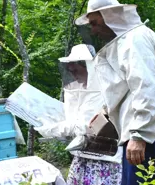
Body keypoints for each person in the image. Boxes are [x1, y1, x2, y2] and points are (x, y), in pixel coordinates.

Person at [74, 0, 155, 184]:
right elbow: (127, 89)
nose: (92, 30)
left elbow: (148, 89)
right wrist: (105, 112)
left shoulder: (135, 41)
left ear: (110, 17)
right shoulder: (128, 41)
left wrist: (139, 135)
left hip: (149, 134)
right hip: (147, 132)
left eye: (94, 23)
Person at [35, 44, 123, 185]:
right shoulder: (80, 90)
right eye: (71, 70)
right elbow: (73, 119)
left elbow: (86, 127)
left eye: (76, 70)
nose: (73, 74)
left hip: (104, 161)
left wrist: (52, 129)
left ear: (89, 67)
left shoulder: (104, 91)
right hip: (81, 158)